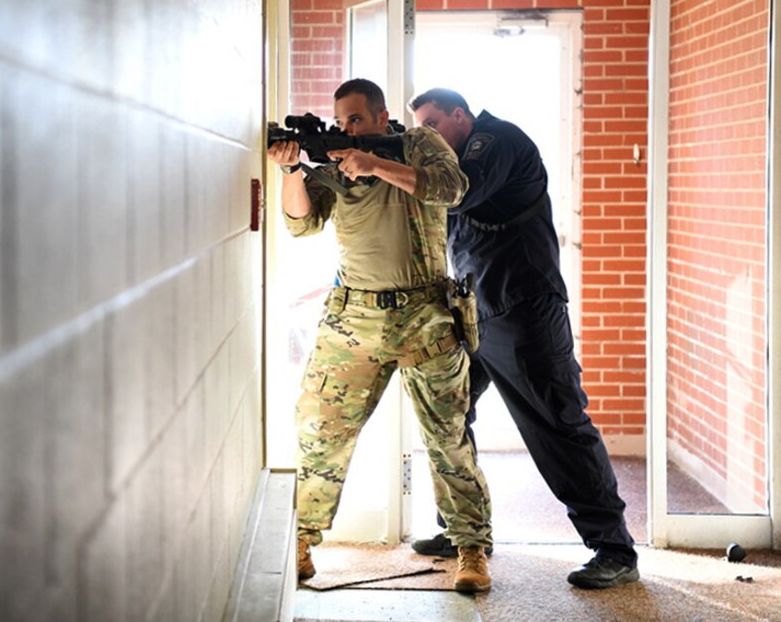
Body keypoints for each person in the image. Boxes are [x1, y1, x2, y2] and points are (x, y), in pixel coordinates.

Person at [408, 87, 639, 590]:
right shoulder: (453, 158)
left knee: (556, 424)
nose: (425, 137)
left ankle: (614, 548)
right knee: (447, 415)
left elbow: (459, 195)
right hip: (474, 313)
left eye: (432, 124)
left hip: (526, 310)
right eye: (417, 129)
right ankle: (465, 529)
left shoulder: (497, 142)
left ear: (460, 116)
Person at [269, 78, 493, 593]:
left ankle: (471, 549)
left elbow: (452, 189)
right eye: (341, 120)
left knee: (447, 440)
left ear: (381, 116)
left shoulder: (417, 144)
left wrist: (374, 164)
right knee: (321, 434)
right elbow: (302, 223)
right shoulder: (333, 168)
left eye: (357, 120)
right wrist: (290, 171)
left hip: (426, 315)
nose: (348, 128)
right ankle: (300, 541)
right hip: (355, 320)